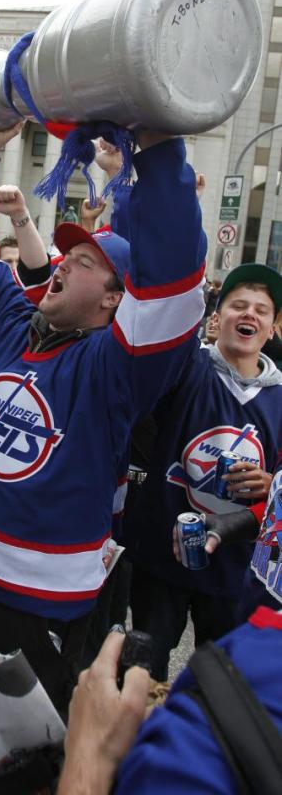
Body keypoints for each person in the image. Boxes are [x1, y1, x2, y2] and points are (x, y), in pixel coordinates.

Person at [0, 120, 206, 794]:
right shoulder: (9, 316)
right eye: (66, 255)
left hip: (37, 603)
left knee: (21, 751)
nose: (62, 263)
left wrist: (150, 163)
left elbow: (173, 283)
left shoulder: (117, 369)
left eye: (85, 262)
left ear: (117, 300)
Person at [58, 468, 282, 795]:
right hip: (245, 639)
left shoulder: (197, 753)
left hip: (253, 685)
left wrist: (88, 758)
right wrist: (245, 521)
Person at [125, 262, 282, 681]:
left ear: (272, 329)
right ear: (217, 317)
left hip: (238, 571)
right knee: (142, 673)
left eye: (261, 311)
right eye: (238, 306)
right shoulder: (186, 368)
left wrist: (273, 485)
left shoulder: (281, 399)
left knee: (221, 686)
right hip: (163, 558)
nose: (248, 314)